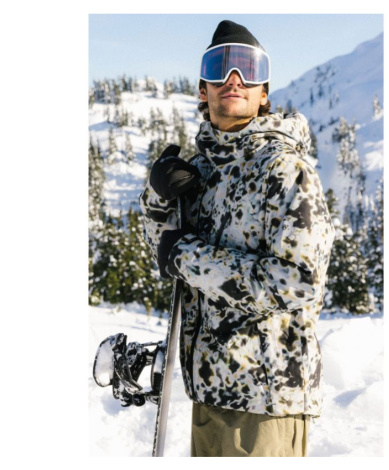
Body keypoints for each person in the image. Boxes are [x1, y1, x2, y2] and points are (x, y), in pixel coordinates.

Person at [139, 20, 335, 457]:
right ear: (203, 89)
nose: (234, 79)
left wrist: (189, 258)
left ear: (264, 93)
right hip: (208, 392)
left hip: (266, 402)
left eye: (248, 68)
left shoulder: (284, 169)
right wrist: (157, 198)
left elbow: (297, 282)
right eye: (219, 67)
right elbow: (163, 249)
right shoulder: (199, 171)